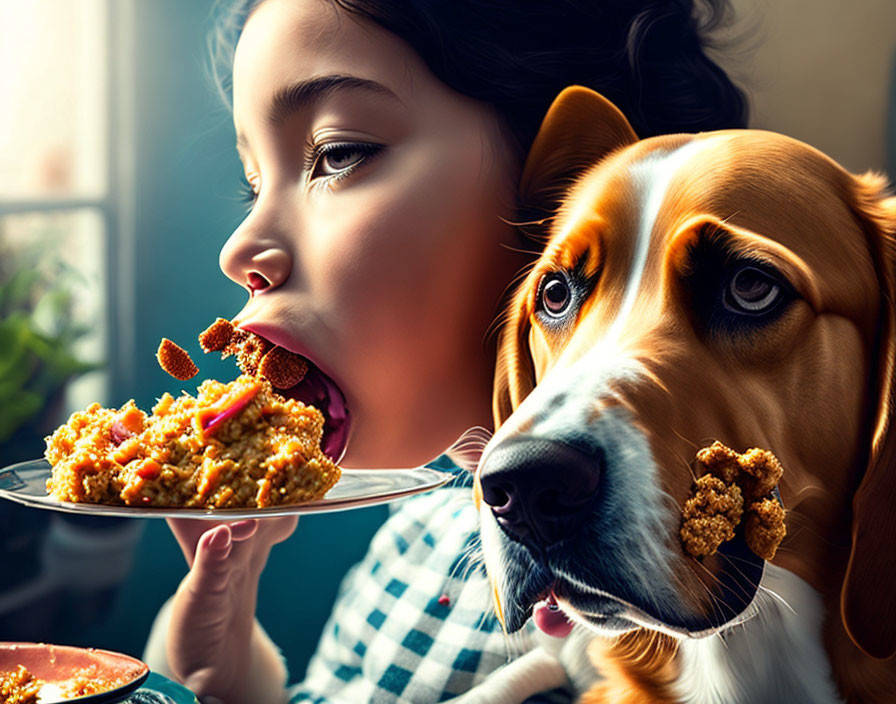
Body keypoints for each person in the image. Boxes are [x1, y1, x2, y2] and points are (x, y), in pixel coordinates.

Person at [143, 0, 748, 701]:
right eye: (254, 185)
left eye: (337, 154)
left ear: (570, 182)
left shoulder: (704, 575)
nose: (239, 249)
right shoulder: (415, 540)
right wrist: (224, 668)